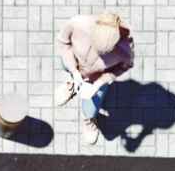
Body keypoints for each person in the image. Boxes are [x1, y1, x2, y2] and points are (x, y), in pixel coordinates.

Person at [56, 12, 135, 147]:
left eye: (106, 52)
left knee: (90, 109)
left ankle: (89, 120)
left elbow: (124, 67)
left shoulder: (125, 50)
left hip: (96, 80)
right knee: (64, 65)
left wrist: (100, 82)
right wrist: (74, 72)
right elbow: (63, 43)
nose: (101, 54)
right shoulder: (76, 23)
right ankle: (72, 84)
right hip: (74, 65)